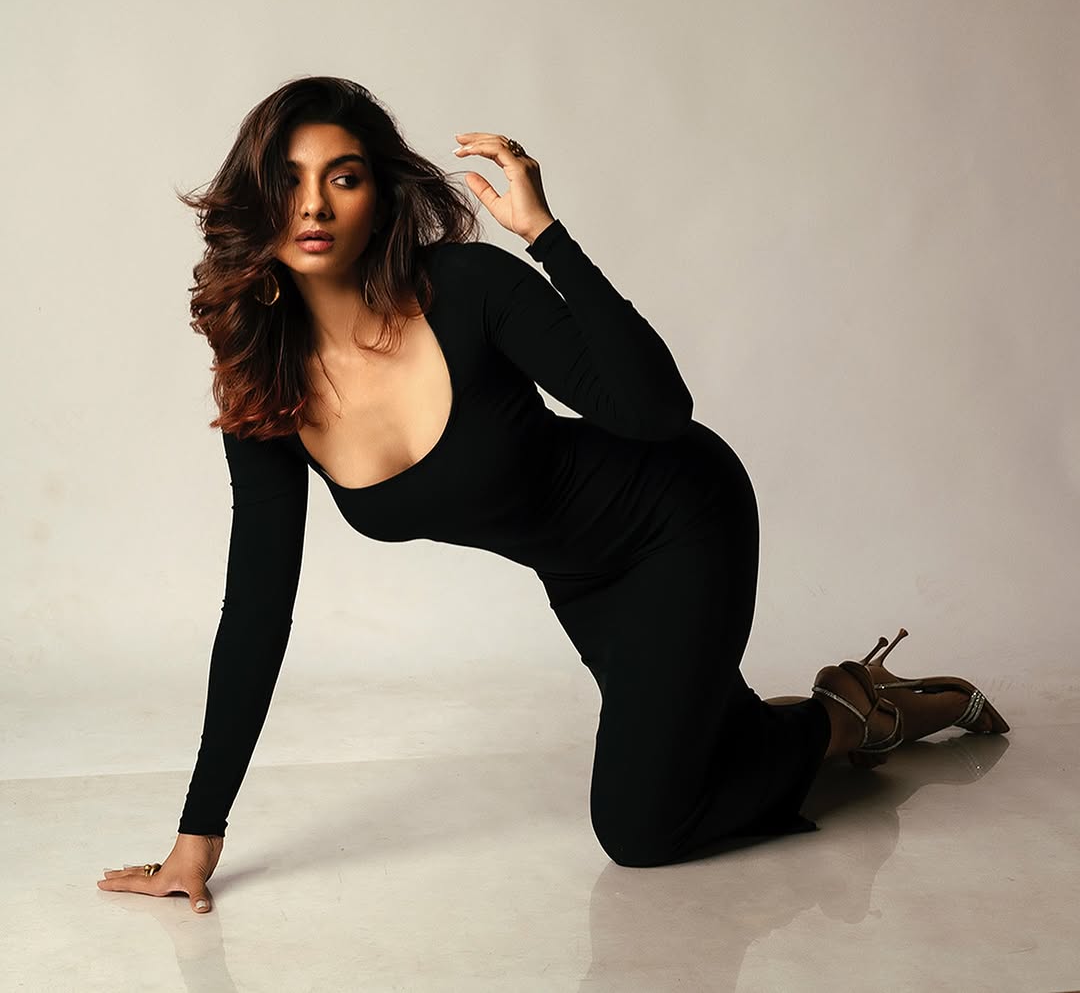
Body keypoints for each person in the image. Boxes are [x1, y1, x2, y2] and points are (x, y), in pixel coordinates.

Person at [97, 76, 1009, 914]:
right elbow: (257, 609)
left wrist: (545, 236)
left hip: (677, 518)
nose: (313, 205)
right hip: (579, 578)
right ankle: (779, 720)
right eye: (288, 180)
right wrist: (197, 836)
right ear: (257, 199)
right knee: (686, 756)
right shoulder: (266, 384)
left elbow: (657, 413)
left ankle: (850, 713)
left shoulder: (467, 287)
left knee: (641, 829)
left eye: (343, 178)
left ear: (381, 196)